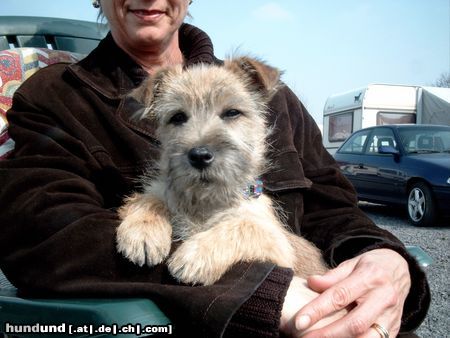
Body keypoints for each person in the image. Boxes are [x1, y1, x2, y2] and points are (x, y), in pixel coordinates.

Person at [0, 1, 429, 337]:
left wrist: (383, 256)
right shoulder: (54, 97)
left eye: (231, 114)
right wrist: (253, 293)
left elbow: (332, 205)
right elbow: (39, 230)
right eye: (178, 118)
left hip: (326, 310)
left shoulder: (263, 90)